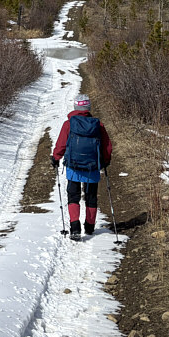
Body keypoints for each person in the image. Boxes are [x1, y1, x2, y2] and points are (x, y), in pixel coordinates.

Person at [51, 94, 112, 237]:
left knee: (73, 196)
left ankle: (75, 227)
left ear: (75, 106)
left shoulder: (69, 124)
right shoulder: (98, 124)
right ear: (88, 107)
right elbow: (107, 146)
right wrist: (106, 160)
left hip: (74, 166)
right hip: (92, 167)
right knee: (91, 197)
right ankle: (90, 227)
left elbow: (61, 144)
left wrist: (55, 157)